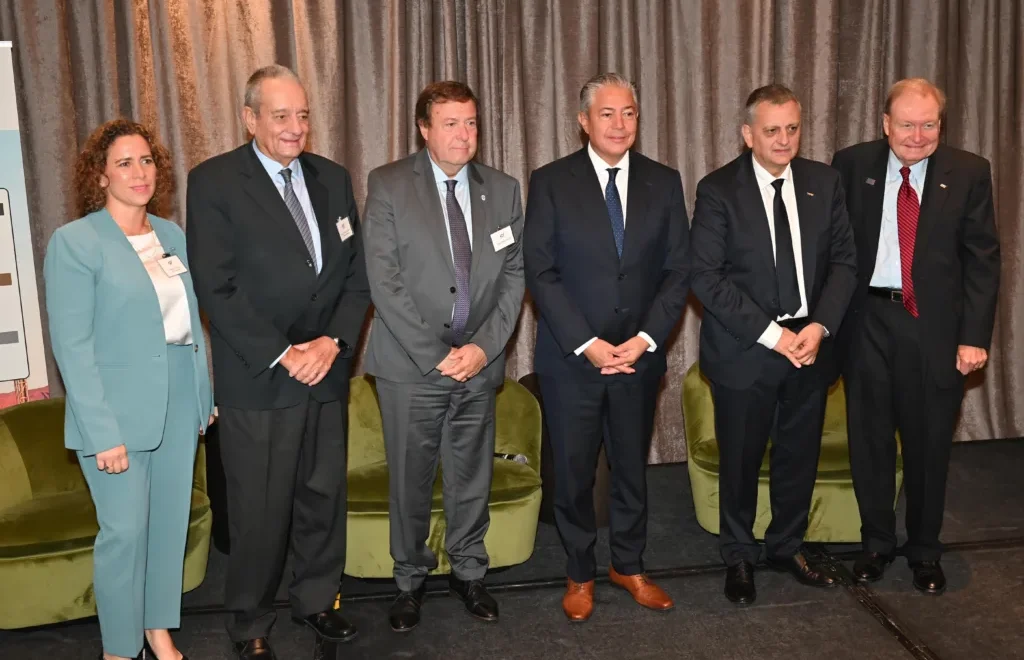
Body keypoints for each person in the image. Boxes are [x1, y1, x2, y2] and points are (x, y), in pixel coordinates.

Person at [185, 65, 369, 659]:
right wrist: (285, 353)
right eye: (281, 115)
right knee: (259, 511)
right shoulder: (214, 182)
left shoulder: (333, 178)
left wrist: (332, 343)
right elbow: (217, 287)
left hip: (325, 372)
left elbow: (357, 275)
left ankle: (317, 602)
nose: (295, 127)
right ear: (250, 118)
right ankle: (250, 623)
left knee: (322, 499)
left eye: (303, 115)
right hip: (260, 377)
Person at [44, 119, 214, 660]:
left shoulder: (171, 235)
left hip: (178, 402)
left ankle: (158, 630)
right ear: (99, 176)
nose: (140, 173)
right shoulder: (75, 242)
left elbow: (190, 325)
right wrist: (102, 433)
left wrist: (203, 396)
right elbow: (73, 347)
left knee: (168, 526)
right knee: (124, 535)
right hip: (114, 414)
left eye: (146, 161)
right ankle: (119, 649)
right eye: (124, 163)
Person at [523, 72, 690, 623]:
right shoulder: (551, 181)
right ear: (583, 121)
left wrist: (644, 340)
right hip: (572, 360)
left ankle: (628, 564)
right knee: (573, 475)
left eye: (629, 113)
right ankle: (579, 572)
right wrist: (588, 343)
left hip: (639, 358)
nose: (620, 124)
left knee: (631, 469)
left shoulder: (663, 181)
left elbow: (678, 271)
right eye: (607, 114)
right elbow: (540, 271)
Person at [362, 81, 525, 632]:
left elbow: (514, 278)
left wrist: (483, 348)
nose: (464, 134)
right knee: (410, 479)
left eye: (471, 122)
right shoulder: (388, 184)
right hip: (411, 368)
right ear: (424, 129)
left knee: (471, 474)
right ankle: (409, 580)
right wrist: (436, 355)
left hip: (479, 364)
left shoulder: (502, 190)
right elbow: (384, 281)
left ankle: (469, 571)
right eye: (451, 123)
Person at [689, 84, 857, 604]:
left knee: (798, 455)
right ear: (747, 134)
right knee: (740, 459)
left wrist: (820, 327)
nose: (784, 140)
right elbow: (706, 277)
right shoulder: (718, 190)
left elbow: (845, 263)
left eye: (792, 128)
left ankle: (787, 545)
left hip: (810, 345)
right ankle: (739, 554)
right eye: (771, 131)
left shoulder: (824, 182)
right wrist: (774, 335)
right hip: (747, 349)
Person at [831, 78, 1000, 594]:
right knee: (870, 439)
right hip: (865, 321)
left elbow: (983, 260)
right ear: (886, 124)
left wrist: (974, 336)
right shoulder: (851, 164)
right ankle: (876, 543)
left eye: (929, 124)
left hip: (934, 329)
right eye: (907, 124)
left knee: (929, 443)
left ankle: (925, 550)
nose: (918, 135)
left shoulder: (968, 171)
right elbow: (833, 250)